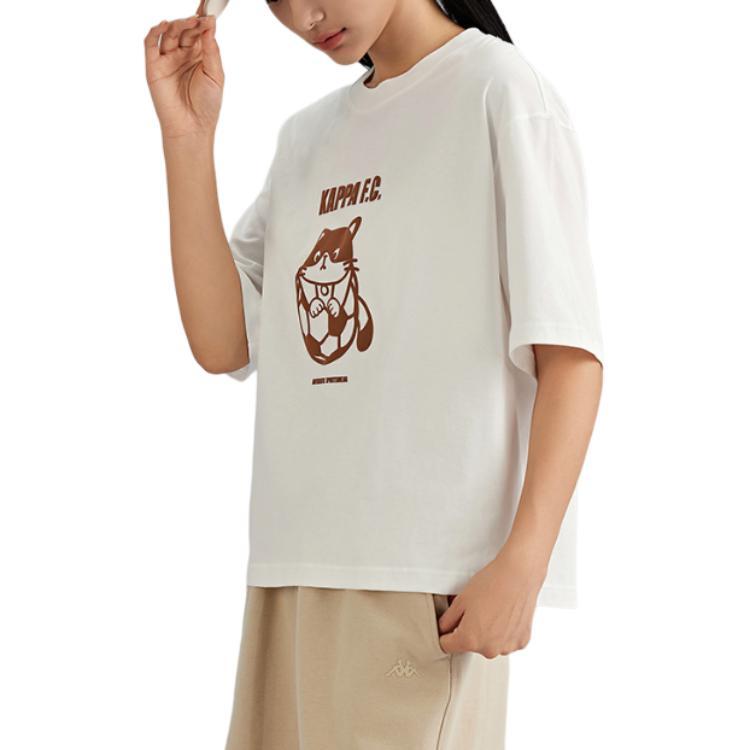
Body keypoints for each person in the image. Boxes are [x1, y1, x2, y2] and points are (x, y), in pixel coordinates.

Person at [144, 1, 605, 747]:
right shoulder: (307, 138)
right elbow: (223, 341)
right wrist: (187, 140)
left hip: (424, 582)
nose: (305, 14)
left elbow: (570, 356)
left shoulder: (498, 90)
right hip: (291, 573)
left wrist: (526, 561)